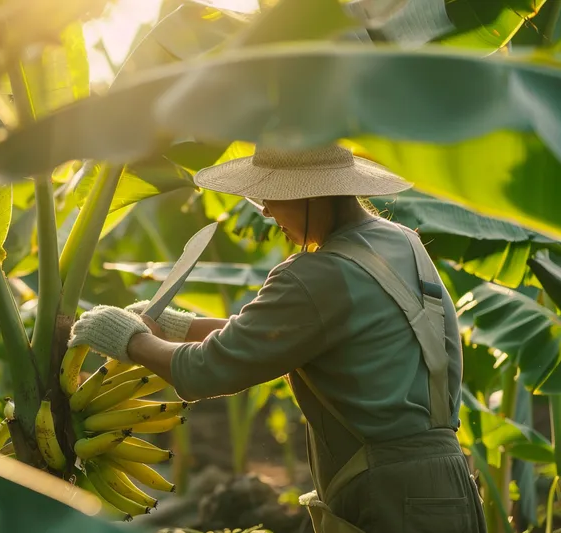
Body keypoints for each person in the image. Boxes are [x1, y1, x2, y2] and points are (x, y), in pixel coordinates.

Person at [68, 144, 486, 533]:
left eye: (272, 194)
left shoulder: (315, 274)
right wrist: (178, 327)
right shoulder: (403, 243)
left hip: (388, 492)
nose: (265, 210)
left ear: (312, 195)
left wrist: (131, 341)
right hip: (449, 481)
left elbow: (204, 371)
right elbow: (281, 337)